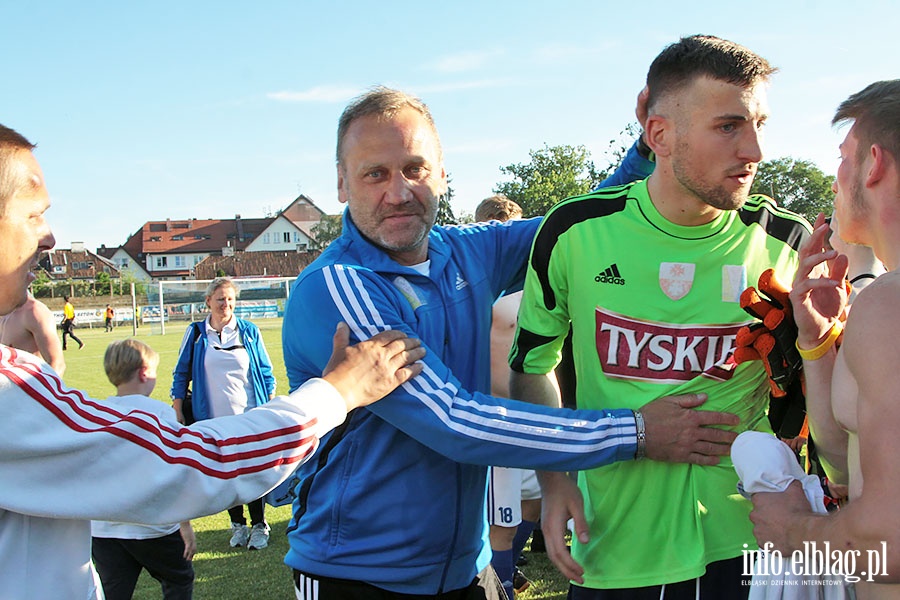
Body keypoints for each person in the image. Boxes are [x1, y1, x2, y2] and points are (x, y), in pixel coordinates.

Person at [281, 86, 740, 599]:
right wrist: (633, 432)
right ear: (342, 184)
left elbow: (578, 224)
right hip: (356, 575)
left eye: (415, 168)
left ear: (442, 175)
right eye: (375, 174)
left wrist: (650, 145)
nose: (399, 191)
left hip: (463, 570)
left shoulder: (465, 251)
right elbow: (453, 421)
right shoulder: (341, 285)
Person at [0, 123, 425, 600]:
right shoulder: (6, 392)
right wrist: (337, 393)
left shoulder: (245, 333)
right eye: (34, 215)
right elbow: (189, 463)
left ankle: (258, 523)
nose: (50, 237)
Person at [508, 35, 812, 598]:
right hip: (617, 540)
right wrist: (553, 481)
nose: (755, 150)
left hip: (751, 540)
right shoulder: (574, 232)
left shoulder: (788, 242)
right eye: (729, 126)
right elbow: (533, 363)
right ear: (660, 134)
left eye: (760, 125)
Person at [749, 80, 900, 597]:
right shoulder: (881, 301)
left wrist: (790, 530)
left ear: (873, 164)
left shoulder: (890, 302)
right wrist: (815, 342)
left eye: (842, 159)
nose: (835, 178)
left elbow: (890, 540)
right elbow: (850, 465)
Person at [171, 277, 277, 550]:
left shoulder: (249, 331)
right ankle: (238, 525)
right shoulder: (196, 334)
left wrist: (268, 405)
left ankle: (259, 525)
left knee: (250, 471)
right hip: (213, 419)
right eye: (220, 299)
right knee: (226, 473)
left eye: (230, 299)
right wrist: (178, 409)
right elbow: (181, 373)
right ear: (208, 301)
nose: (226, 304)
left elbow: (266, 372)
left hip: (249, 415)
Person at [92, 339, 197, 600]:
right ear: (143, 372)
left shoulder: (96, 413)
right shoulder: (160, 413)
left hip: (104, 528)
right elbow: (177, 468)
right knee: (179, 579)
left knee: (114, 591)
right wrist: (184, 523)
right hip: (152, 523)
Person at [475, 195, 540, 599]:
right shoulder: (479, 286)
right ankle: (500, 585)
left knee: (533, 506)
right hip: (499, 419)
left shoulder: (539, 280)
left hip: (540, 414)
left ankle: (503, 571)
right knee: (504, 520)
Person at [0, 292, 66, 374]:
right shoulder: (4, 313)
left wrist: (43, 387)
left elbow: (57, 364)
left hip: (29, 383)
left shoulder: (34, 311)